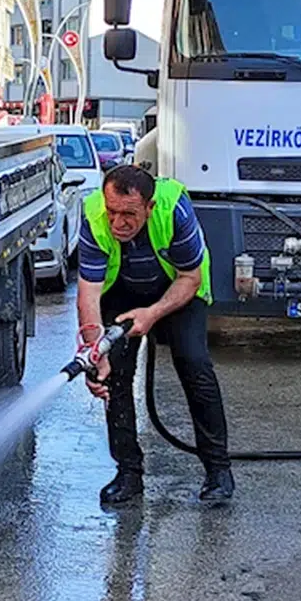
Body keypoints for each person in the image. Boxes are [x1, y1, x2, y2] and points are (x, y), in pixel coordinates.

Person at [76, 165, 235, 506]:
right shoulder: (93, 214)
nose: (117, 223)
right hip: (121, 291)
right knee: (114, 375)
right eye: (112, 212)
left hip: (177, 287)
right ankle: (128, 473)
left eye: (129, 214)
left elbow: (191, 277)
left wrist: (152, 314)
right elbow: (88, 294)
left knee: (194, 364)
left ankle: (218, 471)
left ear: (148, 208)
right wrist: (94, 352)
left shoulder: (174, 210)